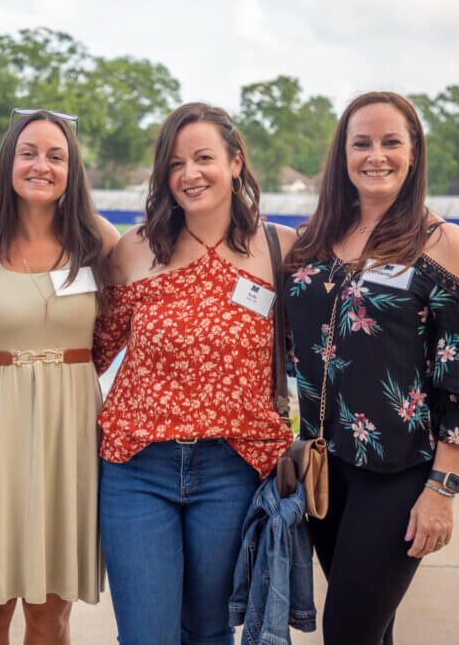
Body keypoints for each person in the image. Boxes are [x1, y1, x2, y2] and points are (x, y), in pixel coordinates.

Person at [283, 91, 459, 644]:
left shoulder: (444, 244)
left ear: (413, 153)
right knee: (371, 632)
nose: (375, 156)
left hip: (399, 476)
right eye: (361, 143)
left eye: (390, 143)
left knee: (348, 632)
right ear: (343, 155)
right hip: (323, 471)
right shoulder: (314, 241)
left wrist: (442, 489)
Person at [92, 102, 296, 644]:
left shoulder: (281, 249)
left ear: (236, 162)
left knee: (209, 633)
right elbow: (91, 349)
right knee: (146, 636)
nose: (190, 174)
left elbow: (333, 347)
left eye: (204, 157)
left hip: (234, 467)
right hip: (137, 467)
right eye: (175, 163)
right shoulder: (134, 250)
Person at [0, 109, 119, 645]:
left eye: (56, 156)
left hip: (70, 433)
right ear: (8, 162)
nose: (42, 165)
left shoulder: (97, 241)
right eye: (29, 153)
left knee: (50, 614)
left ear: (72, 168)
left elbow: (152, 302)